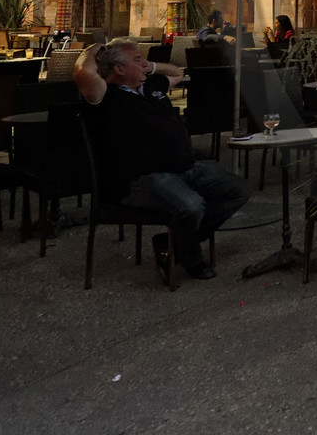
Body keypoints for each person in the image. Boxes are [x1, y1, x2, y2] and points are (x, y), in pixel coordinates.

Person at [74, 38, 250, 280]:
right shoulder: (105, 96)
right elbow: (83, 70)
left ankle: (172, 243)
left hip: (185, 169)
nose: (144, 63)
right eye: (137, 60)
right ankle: (191, 259)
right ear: (119, 69)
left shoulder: (151, 87)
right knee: (191, 206)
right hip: (143, 179)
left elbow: (177, 72)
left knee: (238, 189)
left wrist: (150, 66)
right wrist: (95, 48)